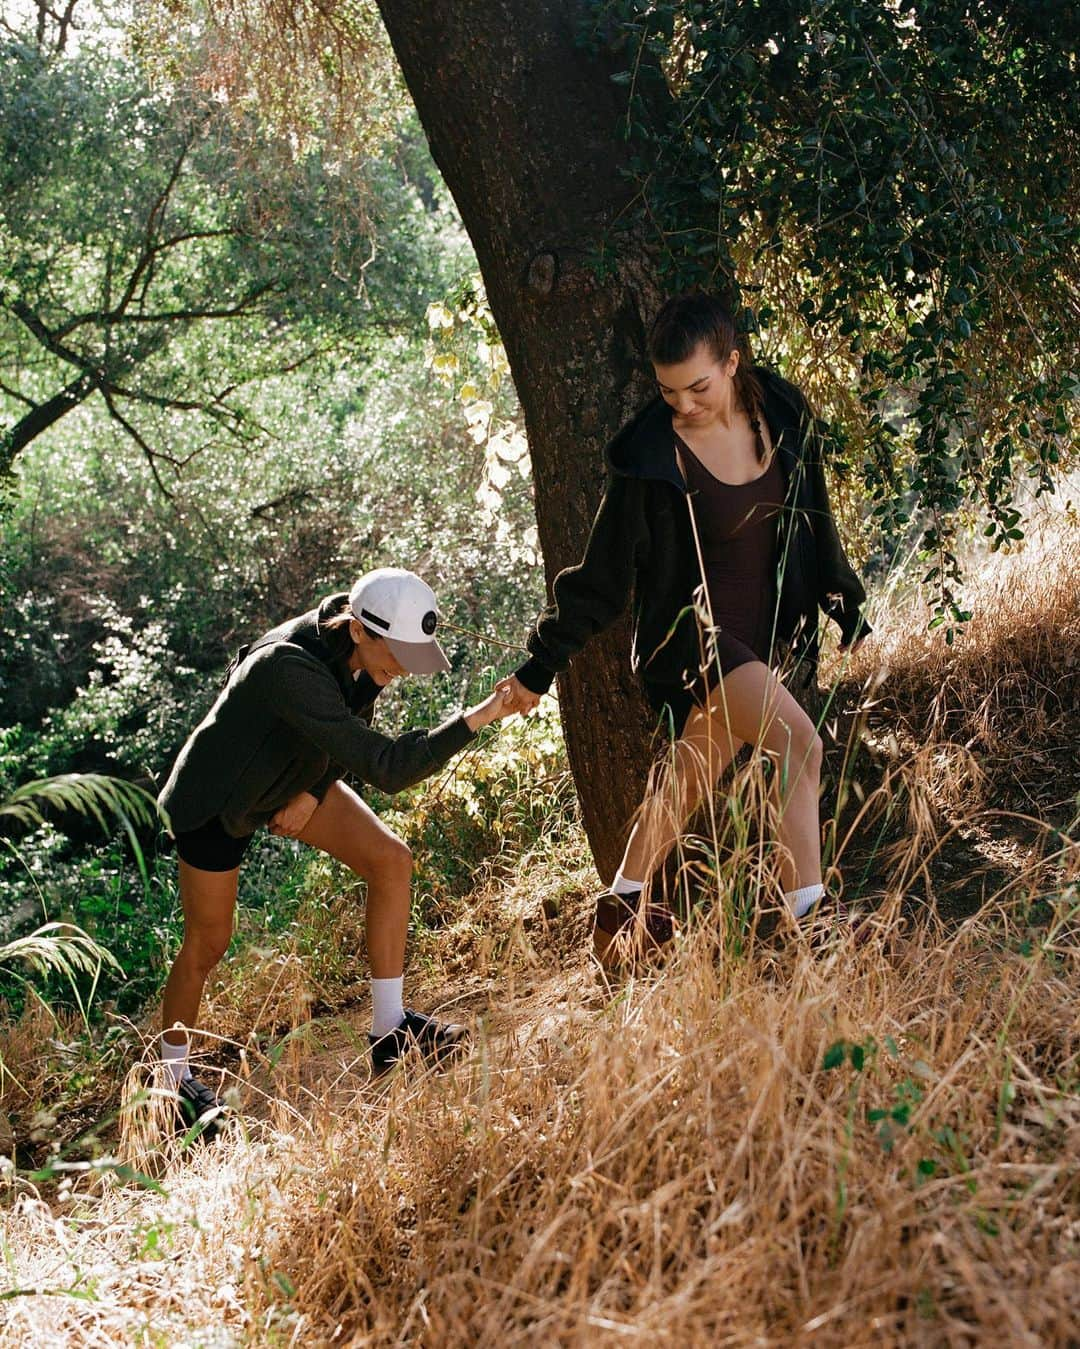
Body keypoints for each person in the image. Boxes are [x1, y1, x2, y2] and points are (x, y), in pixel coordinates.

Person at [499, 291, 871, 964]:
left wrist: (837, 585)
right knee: (799, 745)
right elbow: (602, 577)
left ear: (732, 363)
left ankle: (620, 906)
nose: (684, 404)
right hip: (692, 638)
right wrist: (539, 665)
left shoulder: (780, 411)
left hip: (761, 636)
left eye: (698, 386)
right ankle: (811, 922)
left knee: (687, 779)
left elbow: (812, 509)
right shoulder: (651, 459)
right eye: (669, 392)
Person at [157, 567, 515, 1134]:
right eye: (395, 655)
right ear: (359, 630)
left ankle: (390, 1032)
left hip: (292, 777)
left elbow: (348, 738)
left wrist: (314, 792)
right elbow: (387, 767)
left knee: (390, 861)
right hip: (216, 802)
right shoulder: (289, 669)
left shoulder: (361, 657)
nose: (398, 671)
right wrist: (481, 714)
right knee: (209, 942)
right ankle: (167, 1087)